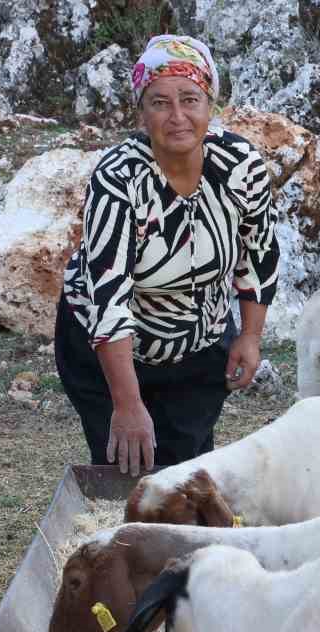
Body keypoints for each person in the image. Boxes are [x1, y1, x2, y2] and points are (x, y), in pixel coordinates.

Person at [56, 34, 279, 476]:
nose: (177, 117)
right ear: (142, 112)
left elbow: (259, 254)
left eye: (190, 99)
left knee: (187, 473)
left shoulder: (240, 167)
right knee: (126, 471)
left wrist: (250, 336)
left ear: (210, 105)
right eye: (159, 103)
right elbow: (108, 298)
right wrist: (127, 403)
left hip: (199, 345)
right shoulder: (119, 180)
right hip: (109, 351)